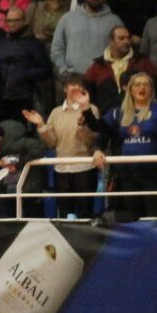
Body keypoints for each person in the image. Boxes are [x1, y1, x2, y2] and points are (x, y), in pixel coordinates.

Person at [88, 71, 157, 219]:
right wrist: (86, 108)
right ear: (130, 89)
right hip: (128, 173)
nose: (141, 87)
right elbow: (99, 128)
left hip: (155, 173)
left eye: (146, 84)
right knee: (133, 218)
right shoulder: (118, 112)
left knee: (155, 218)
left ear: (151, 89)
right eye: (137, 84)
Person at [24, 75, 101, 219]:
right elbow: (52, 143)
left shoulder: (91, 110)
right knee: (65, 213)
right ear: (65, 88)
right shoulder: (56, 112)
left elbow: (91, 141)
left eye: (80, 85)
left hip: (84, 168)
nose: (76, 88)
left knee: (85, 212)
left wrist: (81, 126)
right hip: (61, 169)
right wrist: (41, 125)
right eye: (73, 84)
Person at [51, 0, 124, 76]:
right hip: (72, 76)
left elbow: (122, 50)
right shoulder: (67, 18)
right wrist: (63, 70)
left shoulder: (115, 22)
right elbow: (57, 47)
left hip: (103, 78)